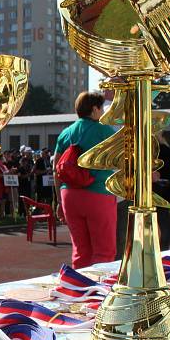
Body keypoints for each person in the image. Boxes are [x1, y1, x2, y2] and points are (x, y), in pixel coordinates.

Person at [53, 92, 116, 269]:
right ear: (94, 109)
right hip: (98, 194)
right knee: (104, 250)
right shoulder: (104, 130)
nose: (103, 111)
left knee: (80, 251)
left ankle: (80, 289)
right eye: (101, 108)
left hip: (69, 195)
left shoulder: (66, 133)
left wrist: (59, 200)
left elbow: (55, 169)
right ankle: (100, 293)